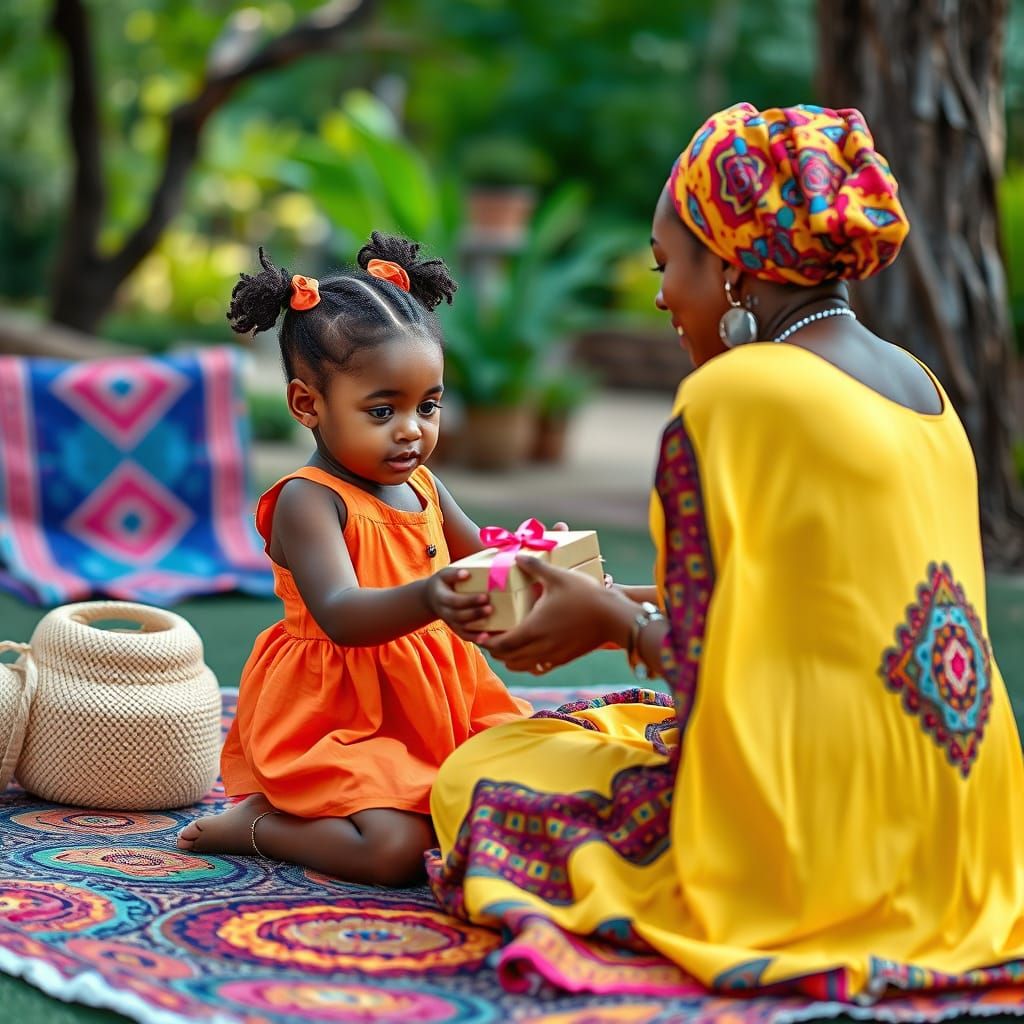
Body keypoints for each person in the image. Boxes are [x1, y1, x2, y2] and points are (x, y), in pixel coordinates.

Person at [427, 103, 1024, 1005]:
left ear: (735, 265)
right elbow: (816, 610)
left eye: (670, 266)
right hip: (969, 824)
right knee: (605, 727)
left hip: (813, 832)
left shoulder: (734, 396)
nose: (664, 296)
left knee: (485, 768)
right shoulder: (923, 387)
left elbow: (707, 675)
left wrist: (611, 623)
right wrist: (601, 601)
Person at [176, 232, 531, 886]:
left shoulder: (423, 483)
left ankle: (403, 790)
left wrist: (534, 556)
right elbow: (340, 614)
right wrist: (431, 596)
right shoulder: (308, 502)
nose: (412, 430)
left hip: (430, 695)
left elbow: (484, 553)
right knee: (395, 852)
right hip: (339, 712)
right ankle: (261, 824)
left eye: (428, 406)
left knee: (516, 793)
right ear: (308, 406)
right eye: (382, 410)